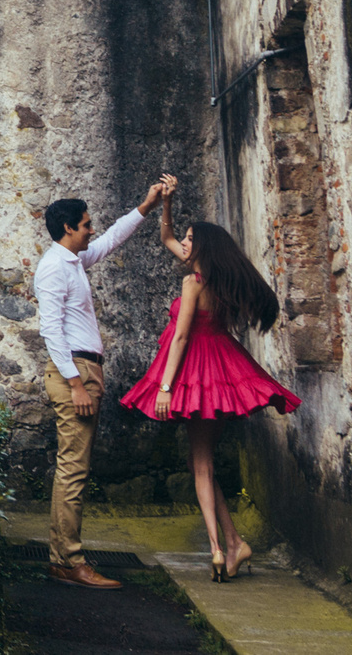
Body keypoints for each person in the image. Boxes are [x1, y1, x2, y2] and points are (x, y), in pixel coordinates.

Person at [119, 213, 301, 581]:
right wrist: (165, 204)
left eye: (189, 239)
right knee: (198, 462)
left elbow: (183, 336)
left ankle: (218, 548)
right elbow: (166, 235)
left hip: (196, 372)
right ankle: (234, 543)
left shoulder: (193, 283)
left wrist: (166, 388)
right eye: (184, 238)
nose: (183, 243)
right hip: (221, 368)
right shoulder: (221, 282)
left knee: (201, 463)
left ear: (201, 246)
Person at [34, 174, 177, 590]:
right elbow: (51, 331)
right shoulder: (52, 269)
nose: (92, 229)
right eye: (86, 223)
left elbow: (113, 238)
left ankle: (66, 557)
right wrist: (76, 383)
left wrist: (147, 204)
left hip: (83, 369)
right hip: (73, 372)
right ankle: (67, 561)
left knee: (75, 469)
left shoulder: (74, 260)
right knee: (73, 470)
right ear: (68, 228)